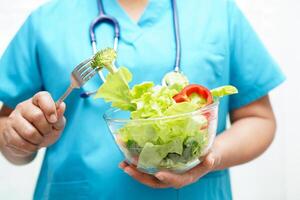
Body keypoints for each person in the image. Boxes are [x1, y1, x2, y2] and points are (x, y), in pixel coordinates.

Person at [0, 0, 285, 199]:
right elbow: (8, 130)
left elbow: (258, 118)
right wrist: (20, 138)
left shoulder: (219, 11)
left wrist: (210, 156)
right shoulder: (46, 21)